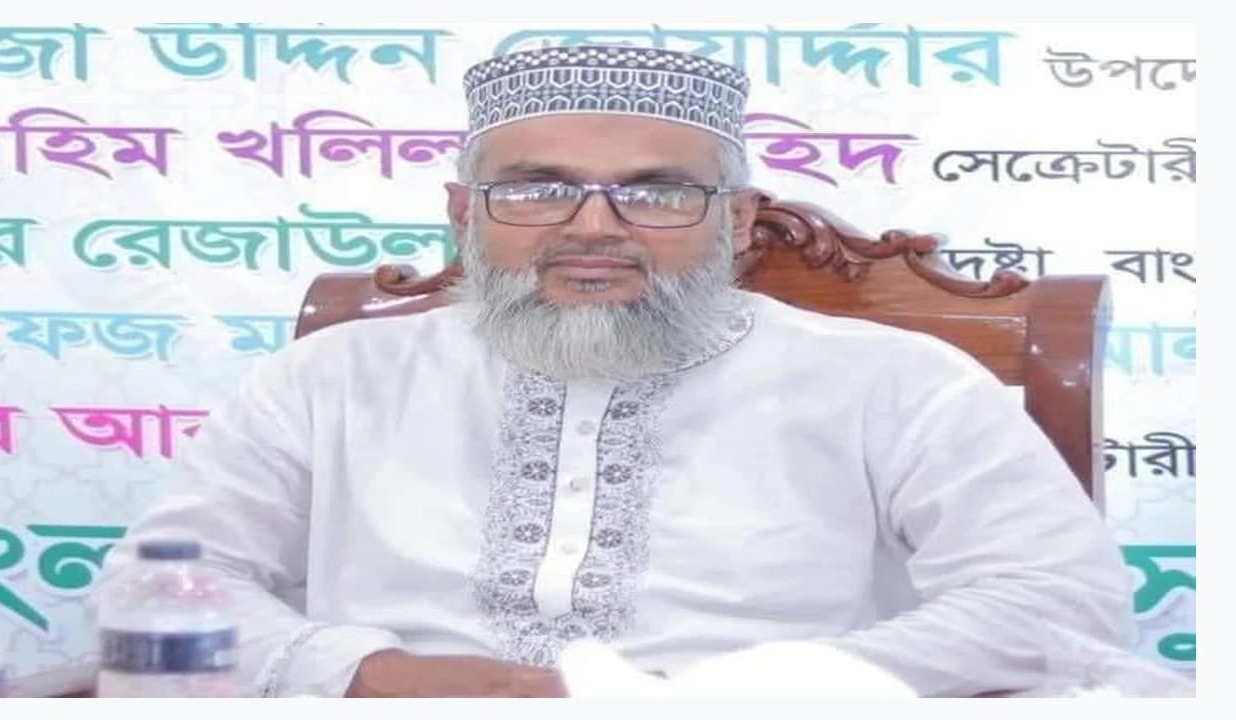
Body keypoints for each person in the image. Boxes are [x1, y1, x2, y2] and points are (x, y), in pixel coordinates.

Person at [92, 45, 1136, 698]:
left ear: (735, 222)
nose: (593, 226)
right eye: (536, 189)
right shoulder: (330, 378)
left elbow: (1052, 600)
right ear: (463, 215)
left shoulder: (895, 382)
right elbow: (166, 586)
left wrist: (751, 694)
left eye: (657, 192)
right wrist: (380, 676)